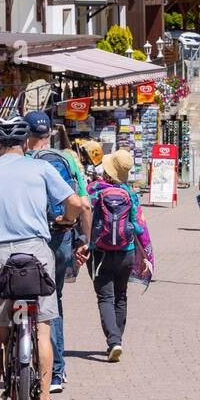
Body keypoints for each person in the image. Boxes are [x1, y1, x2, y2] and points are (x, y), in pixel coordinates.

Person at [0, 116, 83, 400]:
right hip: (37, 252)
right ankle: (44, 399)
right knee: (42, 326)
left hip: (1, 255)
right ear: (26, 141)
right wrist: (67, 222)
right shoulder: (41, 168)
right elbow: (75, 202)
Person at [25, 110, 91, 395]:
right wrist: (84, 241)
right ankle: (56, 373)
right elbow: (84, 205)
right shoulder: (67, 160)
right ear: (49, 133)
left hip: (31, 240)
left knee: (22, 298)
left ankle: (23, 361)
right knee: (53, 301)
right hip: (62, 239)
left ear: (26, 135)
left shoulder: (23, 163)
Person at [85, 149, 147, 362]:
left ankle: (113, 341)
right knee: (121, 296)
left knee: (105, 297)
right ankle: (117, 339)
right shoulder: (130, 193)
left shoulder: (94, 189)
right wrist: (146, 253)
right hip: (126, 252)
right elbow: (139, 227)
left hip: (100, 253)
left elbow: (84, 213)